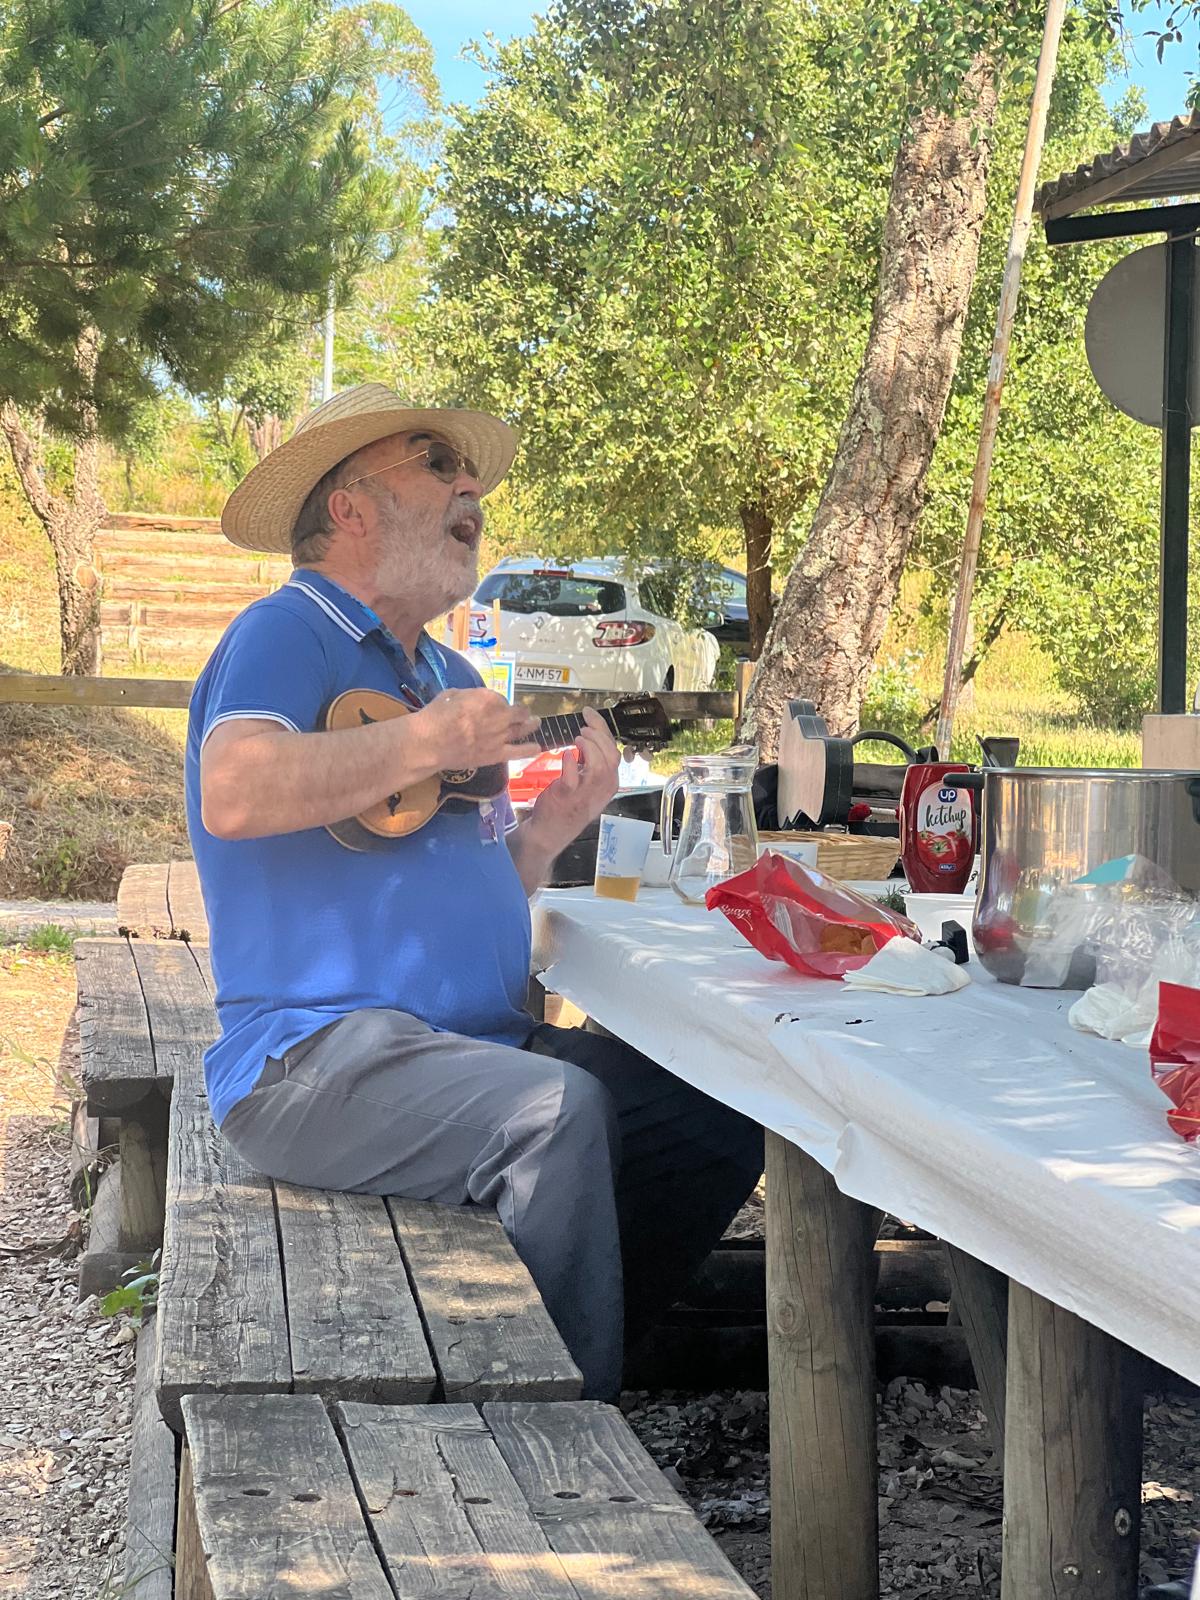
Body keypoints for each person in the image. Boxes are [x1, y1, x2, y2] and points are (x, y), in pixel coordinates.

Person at [185, 383, 762, 1400]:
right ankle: (555, 1427)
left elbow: (470, 882)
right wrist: (423, 740)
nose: (472, 489)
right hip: (308, 1057)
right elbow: (231, 792)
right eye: (436, 463)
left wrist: (552, 826)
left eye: (469, 472)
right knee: (555, 1113)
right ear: (350, 507)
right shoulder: (286, 630)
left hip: (469, 1048)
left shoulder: (444, 670)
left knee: (720, 1110)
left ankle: (576, 1358)